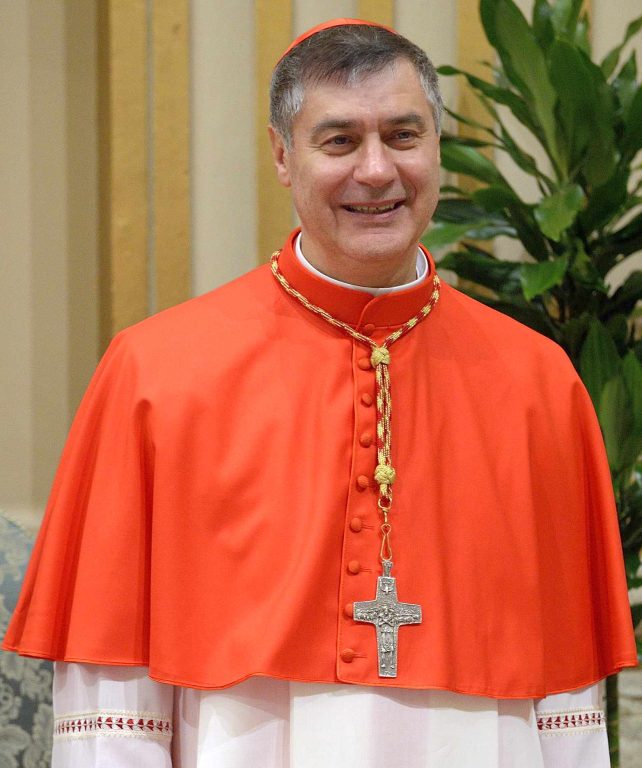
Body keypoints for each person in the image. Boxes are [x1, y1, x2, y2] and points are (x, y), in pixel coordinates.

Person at [3, 19, 637, 768]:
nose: (377, 170)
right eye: (339, 141)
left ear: (437, 146)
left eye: (403, 135)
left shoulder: (537, 382)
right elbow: (112, 702)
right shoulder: (155, 374)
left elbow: (566, 700)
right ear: (282, 155)